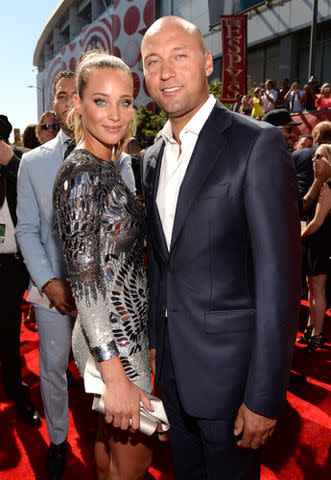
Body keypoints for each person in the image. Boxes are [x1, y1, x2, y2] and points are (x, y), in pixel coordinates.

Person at [141, 16, 301, 480]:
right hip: (172, 373)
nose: (166, 71)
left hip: (233, 383)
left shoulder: (257, 143)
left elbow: (279, 282)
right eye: (154, 61)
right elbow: (162, 266)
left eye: (179, 55)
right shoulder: (151, 157)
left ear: (207, 62)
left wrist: (265, 394)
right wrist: (155, 345)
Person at [53, 50, 153, 480]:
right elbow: (87, 283)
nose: (116, 115)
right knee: (135, 461)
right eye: (100, 100)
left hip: (115, 329)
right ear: (77, 103)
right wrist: (114, 373)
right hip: (112, 337)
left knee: (109, 449)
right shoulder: (80, 173)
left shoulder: (105, 164)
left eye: (125, 101)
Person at [16, 70, 77, 480]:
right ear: (53, 104)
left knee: (108, 373)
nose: (69, 101)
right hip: (51, 289)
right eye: (61, 95)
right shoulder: (33, 163)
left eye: (78, 93)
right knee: (53, 367)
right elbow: (26, 228)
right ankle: (58, 441)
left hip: (105, 296)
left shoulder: (119, 157)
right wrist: (48, 281)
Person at [0, 115, 41, 426]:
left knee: (10, 334)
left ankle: (15, 389)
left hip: (11, 266)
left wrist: (10, 162)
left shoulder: (21, 162)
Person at [299, 144, 331, 351]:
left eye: (319, 156)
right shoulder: (322, 183)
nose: (314, 160)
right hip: (317, 243)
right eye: (313, 156)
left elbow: (317, 222)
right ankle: (311, 329)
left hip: (321, 243)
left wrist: (297, 236)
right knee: (312, 289)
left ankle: (317, 335)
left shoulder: (328, 185)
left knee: (317, 291)